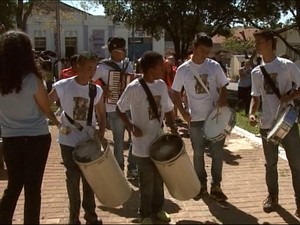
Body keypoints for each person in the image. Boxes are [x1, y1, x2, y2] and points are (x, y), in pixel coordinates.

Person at [0, 29, 60, 224]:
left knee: (14, 185)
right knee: (33, 189)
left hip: (10, 138)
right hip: (36, 138)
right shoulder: (32, 79)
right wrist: (58, 121)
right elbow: (46, 109)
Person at [116, 51, 178, 224]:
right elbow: (119, 109)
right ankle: (144, 214)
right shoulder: (134, 87)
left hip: (159, 140)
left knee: (159, 179)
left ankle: (158, 210)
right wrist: (130, 126)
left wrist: (173, 126)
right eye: (161, 65)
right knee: (146, 182)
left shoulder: (160, 85)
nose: (164, 68)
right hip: (142, 144)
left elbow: (167, 109)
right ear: (151, 68)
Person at [49, 52, 106, 224]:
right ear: (77, 67)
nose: (93, 71)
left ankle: (91, 215)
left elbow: (102, 115)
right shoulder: (63, 85)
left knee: (90, 180)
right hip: (68, 142)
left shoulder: (96, 89)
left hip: (88, 141)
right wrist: (57, 123)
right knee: (73, 179)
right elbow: (45, 103)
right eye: (89, 68)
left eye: (94, 68)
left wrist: (101, 133)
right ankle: (73, 217)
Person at [171, 32, 229, 202]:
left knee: (218, 154)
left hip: (215, 118)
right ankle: (200, 185)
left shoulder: (214, 66)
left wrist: (223, 100)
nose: (204, 54)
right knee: (198, 154)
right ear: (194, 48)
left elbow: (223, 86)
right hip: (195, 119)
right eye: (202, 50)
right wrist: (183, 112)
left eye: (207, 51)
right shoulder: (183, 69)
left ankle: (216, 185)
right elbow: (175, 92)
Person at [248, 29, 300, 218]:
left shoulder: (287, 66)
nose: (257, 46)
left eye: (260, 42)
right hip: (267, 124)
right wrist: (251, 114)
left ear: (270, 43)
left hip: (288, 122)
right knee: (270, 164)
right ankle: (272, 197)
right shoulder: (256, 72)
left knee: (296, 164)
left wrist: (291, 95)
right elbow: (255, 98)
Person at [93, 36, 138, 179]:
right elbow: (89, 82)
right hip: (113, 107)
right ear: (114, 51)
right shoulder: (102, 67)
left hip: (130, 106)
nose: (124, 52)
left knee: (135, 138)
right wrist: (102, 88)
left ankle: (132, 167)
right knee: (118, 140)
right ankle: (119, 169)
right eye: (121, 50)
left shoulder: (127, 64)